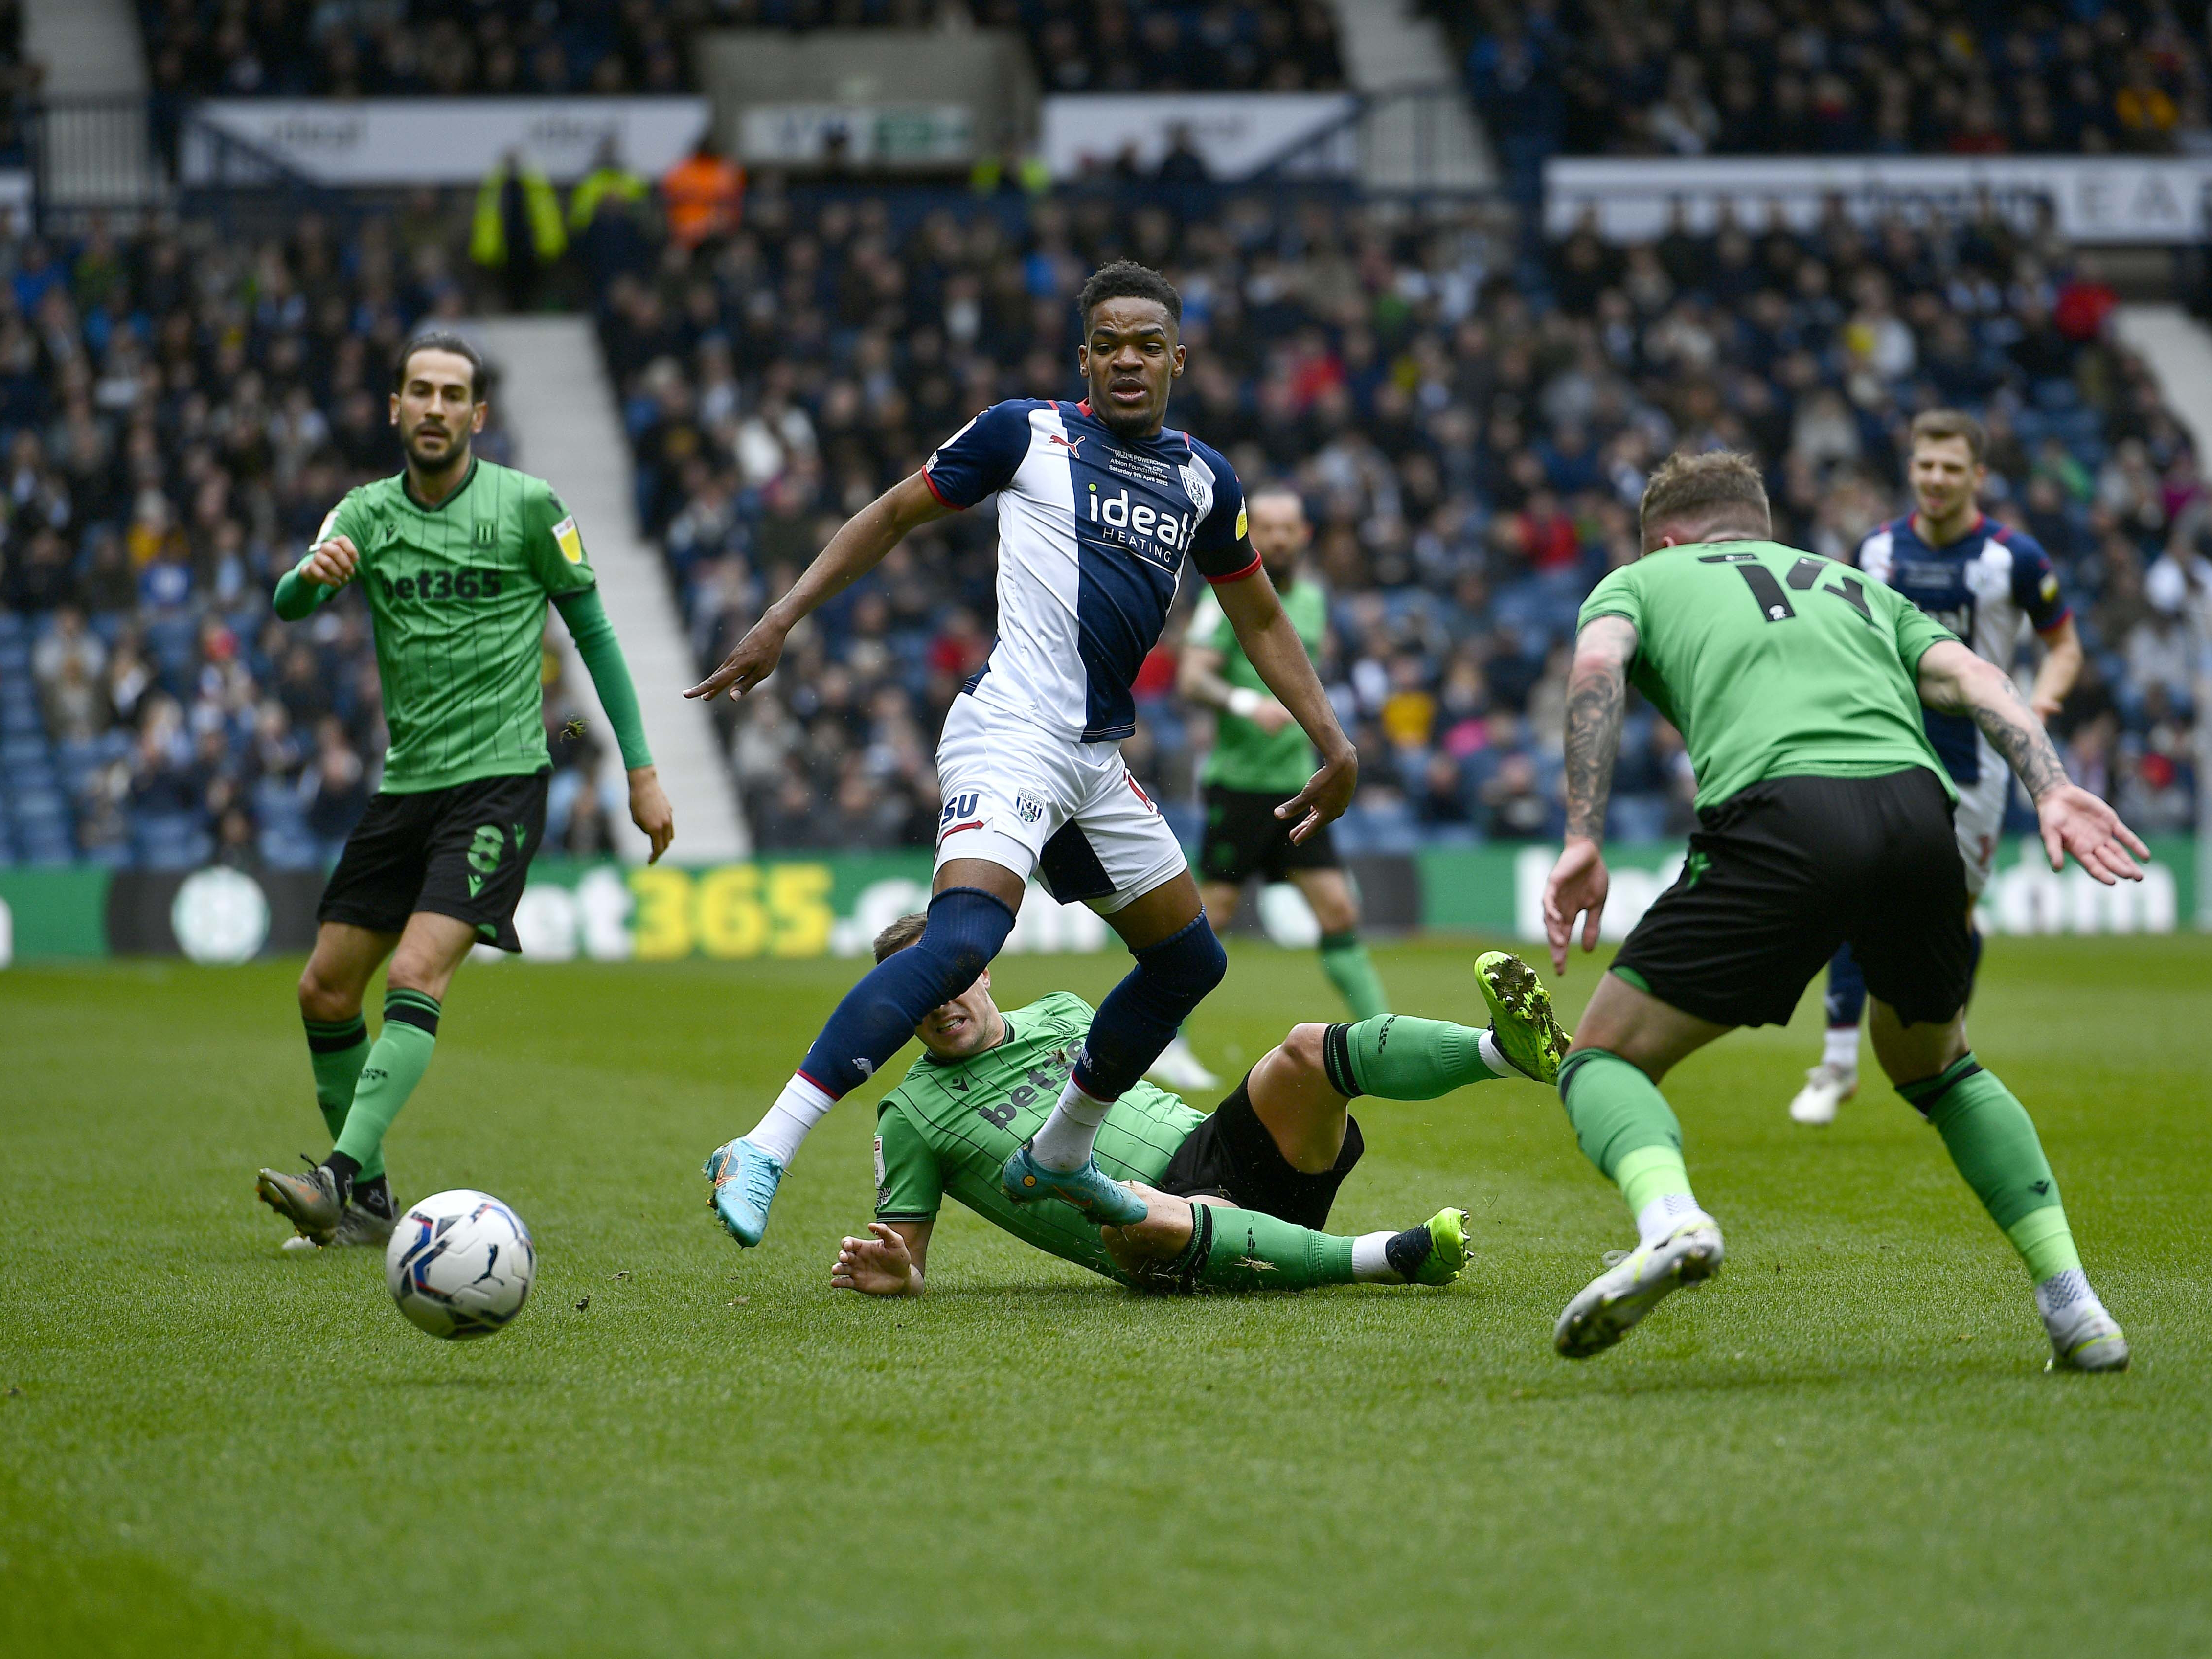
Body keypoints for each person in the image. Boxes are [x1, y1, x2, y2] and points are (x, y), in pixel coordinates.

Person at [688, 260, 1358, 1247]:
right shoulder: (1023, 431)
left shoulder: (1204, 479)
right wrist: (781, 618)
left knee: (1186, 962)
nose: (1127, 362)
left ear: (1178, 357)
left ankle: (1059, 1149)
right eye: (1108, 346)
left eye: (1146, 346)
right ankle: (764, 1143)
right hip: (1011, 729)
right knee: (960, 940)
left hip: (1093, 755)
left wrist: (1332, 739)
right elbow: (892, 514)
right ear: (1083, 356)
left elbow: (1256, 614)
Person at [1540, 450, 2141, 1371]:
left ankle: (1671, 1220)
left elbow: (1595, 674)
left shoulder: (1637, 579)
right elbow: (1978, 678)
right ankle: (2075, 1308)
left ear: (1665, 536)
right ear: (1761, 526)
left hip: (1785, 817)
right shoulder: (1850, 582)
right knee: (1938, 1066)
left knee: (1600, 1058)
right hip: (1916, 815)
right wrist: (2052, 787)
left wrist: (1582, 831)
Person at [254, 332, 674, 1249]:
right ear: (395, 409)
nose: (436, 407)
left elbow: (596, 633)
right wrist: (305, 576)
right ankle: (367, 1202)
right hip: (405, 786)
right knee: (325, 992)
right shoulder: (363, 514)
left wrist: (641, 770)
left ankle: (334, 1176)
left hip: (499, 782)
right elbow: (289, 604)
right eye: (420, 391)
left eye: (454, 394)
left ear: (477, 415)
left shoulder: (529, 506)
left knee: (415, 974)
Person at [825, 914, 1570, 1298]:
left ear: (981, 969)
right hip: (1154, 1230)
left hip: (1218, 1145)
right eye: (912, 994)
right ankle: (1388, 1256)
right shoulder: (911, 1111)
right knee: (1124, 1208)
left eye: (944, 977)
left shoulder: (1060, 1010)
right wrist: (899, 1271)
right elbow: (905, 1256)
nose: (936, 1002)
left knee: (1307, 1046)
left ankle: (1504, 1052)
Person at [1790, 409, 2083, 1126]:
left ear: (1977, 476)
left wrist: (2037, 707)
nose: (1937, 479)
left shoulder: (2014, 558)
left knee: (1949, 919)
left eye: (1952, 467)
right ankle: (1835, 1064)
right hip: (1883, 749)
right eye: (1926, 465)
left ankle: (1943, 1047)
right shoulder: (1878, 551)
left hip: (1975, 765)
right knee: (1857, 897)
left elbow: (2064, 645)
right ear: (1912, 468)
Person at [1157, 486, 1387, 1093]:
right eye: (1269, 528)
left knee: (1339, 909)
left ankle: (1383, 1037)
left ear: (1304, 535)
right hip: (1239, 788)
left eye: (1289, 528)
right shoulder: (1220, 599)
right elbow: (1192, 677)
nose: (1279, 538)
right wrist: (1242, 700)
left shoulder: (1314, 600)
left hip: (1298, 783)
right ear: (1250, 532)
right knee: (1214, 918)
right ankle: (1164, 1041)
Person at [469, 151, 567, 313]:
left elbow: (547, 215)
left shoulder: (534, 183)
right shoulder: (496, 184)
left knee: (532, 289)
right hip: (502, 250)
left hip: (531, 248)